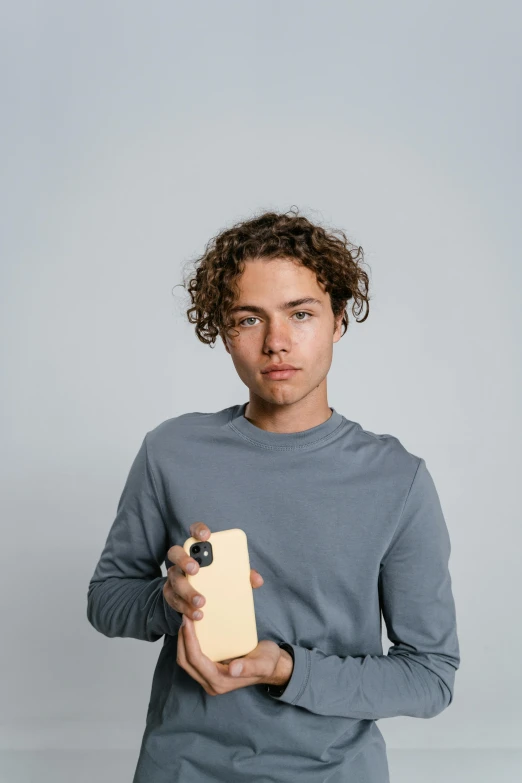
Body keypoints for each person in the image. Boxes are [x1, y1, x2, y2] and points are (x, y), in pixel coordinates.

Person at [87, 206, 460, 783]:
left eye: (301, 313)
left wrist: (287, 670)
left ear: (338, 320)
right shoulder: (171, 450)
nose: (277, 342)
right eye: (248, 319)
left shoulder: (397, 478)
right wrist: (170, 599)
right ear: (224, 332)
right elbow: (106, 601)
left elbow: (431, 676)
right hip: (182, 768)